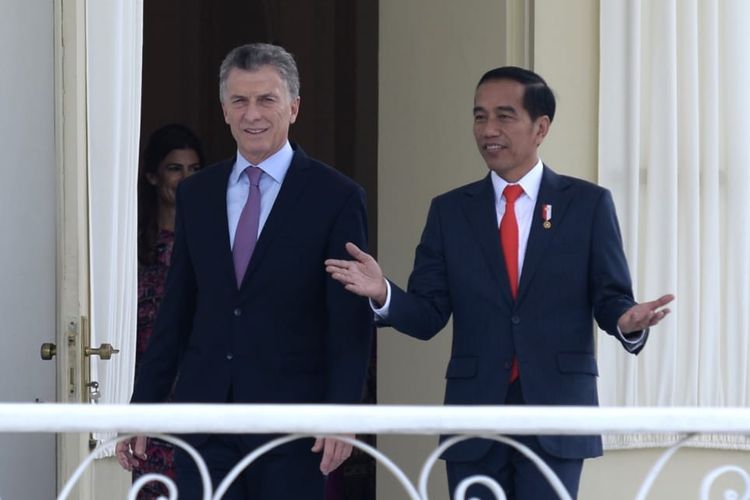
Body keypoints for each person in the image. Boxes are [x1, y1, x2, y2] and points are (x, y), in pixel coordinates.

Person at [325, 66, 674, 500]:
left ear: (540, 127)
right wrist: (383, 293)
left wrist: (628, 320)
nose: (488, 129)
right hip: (476, 414)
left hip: (557, 414)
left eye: (504, 116)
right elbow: (428, 315)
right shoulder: (450, 212)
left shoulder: (587, 205)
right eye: (479, 116)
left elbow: (611, 298)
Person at [116, 43, 372, 500]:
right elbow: (177, 312)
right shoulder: (198, 193)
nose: (252, 113)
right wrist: (143, 407)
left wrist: (343, 414)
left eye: (266, 99)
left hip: (292, 427)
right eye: (240, 100)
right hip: (205, 422)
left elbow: (347, 322)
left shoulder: (335, 196)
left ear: (293, 107)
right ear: (224, 110)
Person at [132, 123, 204, 499]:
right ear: (152, 175)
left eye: (194, 170)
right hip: (144, 389)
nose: (185, 179)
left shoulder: (212, 247)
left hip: (193, 394)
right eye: (175, 168)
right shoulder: (130, 247)